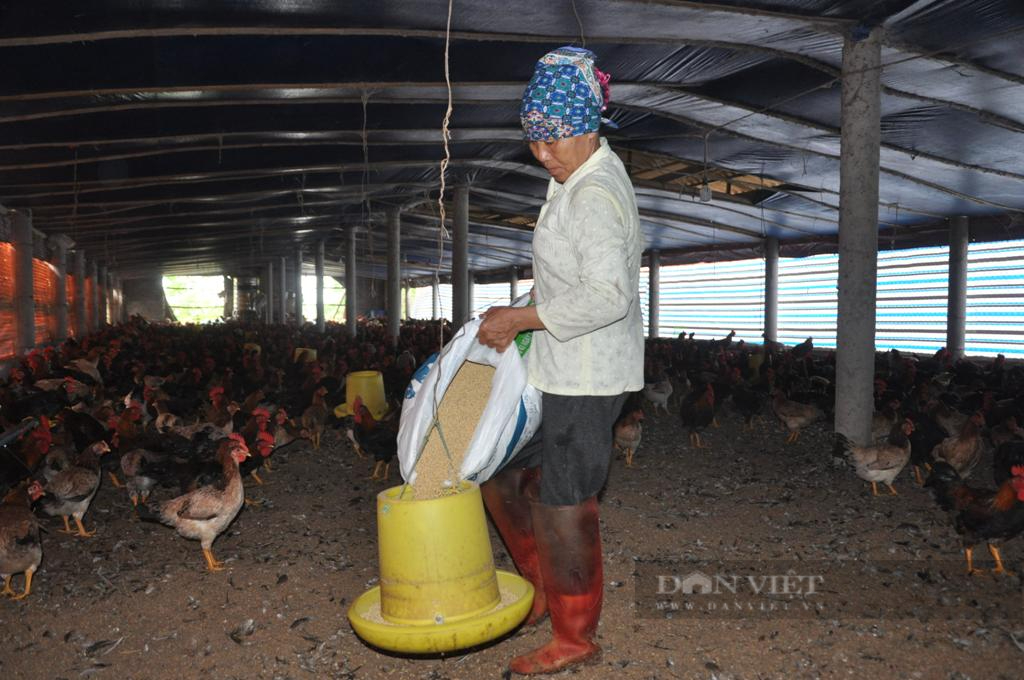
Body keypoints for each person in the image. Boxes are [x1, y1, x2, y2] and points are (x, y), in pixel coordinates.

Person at [476, 46, 644, 675]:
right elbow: (570, 274)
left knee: (566, 496)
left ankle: (576, 635)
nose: (542, 154)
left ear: (589, 127)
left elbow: (606, 295)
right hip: (560, 360)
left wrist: (521, 318)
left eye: (554, 140)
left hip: (588, 370)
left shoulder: (595, 194)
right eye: (533, 141)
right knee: (501, 468)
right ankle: (541, 585)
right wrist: (524, 306)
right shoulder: (571, 178)